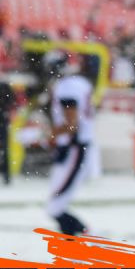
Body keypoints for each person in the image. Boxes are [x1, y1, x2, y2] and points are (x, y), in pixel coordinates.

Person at [46, 56, 99, 236]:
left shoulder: (67, 87)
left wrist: (49, 134)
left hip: (74, 148)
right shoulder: (80, 83)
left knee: (55, 206)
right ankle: (77, 241)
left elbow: (71, 124)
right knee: (56, 205)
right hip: (77, 146)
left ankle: (84, 237)